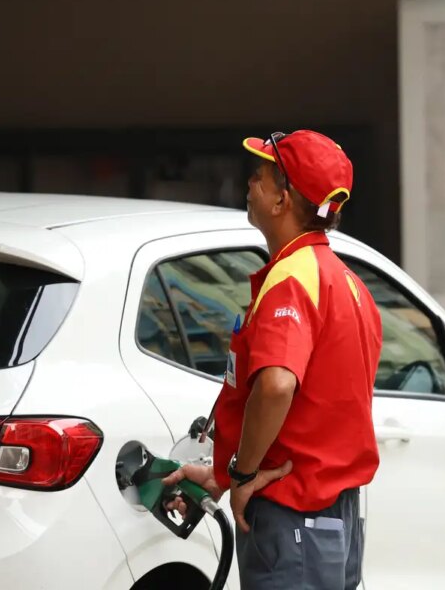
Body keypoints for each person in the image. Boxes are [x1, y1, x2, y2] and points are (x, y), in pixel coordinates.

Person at [163, 130, 383, 589]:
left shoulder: (292, 280)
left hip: (292, 519)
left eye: (261, 175)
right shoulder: (347, 283)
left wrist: (242, 472)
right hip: (332, 516)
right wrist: (224, 476)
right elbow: (316, 414)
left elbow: (278, 385)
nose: (250, 182)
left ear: (282, 200)